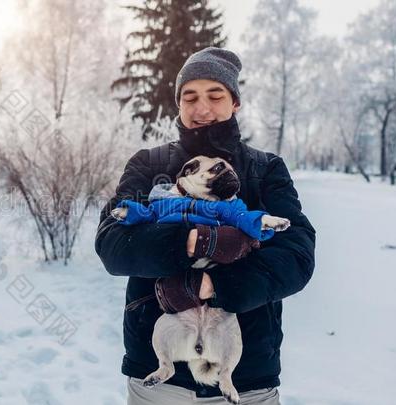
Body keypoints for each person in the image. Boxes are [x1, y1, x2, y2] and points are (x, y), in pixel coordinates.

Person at [95, 47, 316, 404]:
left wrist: (214, 285)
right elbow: (112, 244)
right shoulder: (148, 164)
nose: (202, 108)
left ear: (235, 102)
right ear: (178, 104)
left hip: (246, 378)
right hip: (157, 378)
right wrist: (195, 242)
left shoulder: (266, 169)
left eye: (215, 95)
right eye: (190, 97)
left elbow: (297, 255)